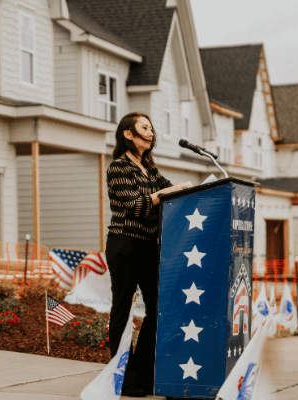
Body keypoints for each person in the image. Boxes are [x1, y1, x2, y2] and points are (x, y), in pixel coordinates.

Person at [105, 111, 191, 397]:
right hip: (124, 244)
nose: (151, 132)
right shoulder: (118, 168)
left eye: (151, 128)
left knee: (158, 309)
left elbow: (172, 193)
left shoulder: (150, 169)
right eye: (145, 128)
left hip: (149, 246)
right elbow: (138, 207)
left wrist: (190, 189)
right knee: (122, 309)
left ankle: (142, 374)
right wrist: (168, 193)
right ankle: (123, 378)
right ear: (128, 134)